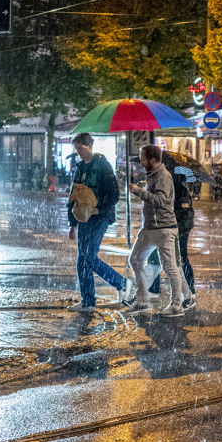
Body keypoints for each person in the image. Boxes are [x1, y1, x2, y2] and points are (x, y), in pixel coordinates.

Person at [66, 132, 132, 312]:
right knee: (82, 260)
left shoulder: (103, 165)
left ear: (89, 146)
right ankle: (88, 302)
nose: (78, 152)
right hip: (83, 218)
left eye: (80, 148)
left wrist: (99, 209)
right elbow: (74, 195)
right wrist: (73, 223)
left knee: (88, 257)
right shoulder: (80, 168)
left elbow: (114, 194)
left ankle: (121, 283)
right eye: (76, 148)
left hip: (99, 218)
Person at [127, 144, 191, 317]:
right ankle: (142, 301)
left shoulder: (163, 176)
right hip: (149, 228)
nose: (141, 162)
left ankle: (177, 305)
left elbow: (162, 201)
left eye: (143, 159)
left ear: (153, 160)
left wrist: (139, 192)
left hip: (164, 229)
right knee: (135, 260)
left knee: (170, 267)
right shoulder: (153, 175)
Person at [149, 170, 196, 299]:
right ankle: (153, 287)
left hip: (178, 229)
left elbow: (183, 213)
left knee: (180, 259)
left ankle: (189, 291)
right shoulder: (167, 188)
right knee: (157, 256)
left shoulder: (179, 190)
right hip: (169, 227)